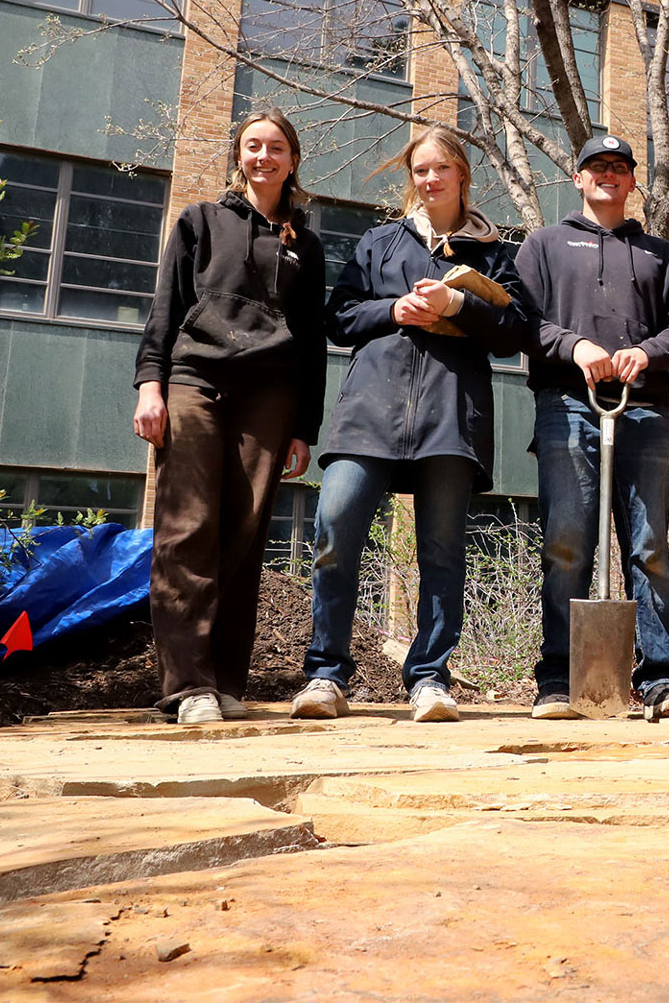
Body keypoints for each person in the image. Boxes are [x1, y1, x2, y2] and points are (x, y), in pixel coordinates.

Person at [288, 124, 527, 724]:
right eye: (420, 170)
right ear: (411, 178)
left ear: (462, 175)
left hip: (451, 418)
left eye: (441, 168)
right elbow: (338, 317)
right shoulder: (381, 242)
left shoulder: (497, 252)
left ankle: (428, 678)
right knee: (336, 528)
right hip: (369, 412)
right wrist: (393, 310)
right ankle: (325, 675)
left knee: (442, 553)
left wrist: (460, 305)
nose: (429, 179)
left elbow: (516, 332)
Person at [133, 109, 326, 726]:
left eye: (275, 147)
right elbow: (166, 306)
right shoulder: (200, 221)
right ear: (238, 156)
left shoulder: (307, 242)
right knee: (189, 528)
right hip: (196, 382)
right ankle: (187, 687)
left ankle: (224, 681)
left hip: (269, 397)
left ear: (292, 159)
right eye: (252, 146)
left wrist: (305, 427)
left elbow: (314, 342)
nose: (263, 156)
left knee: (243, 535)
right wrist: (149, 385)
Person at [517, 136, 669, 720]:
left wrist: (644, 354)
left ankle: (660, 678)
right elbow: (520, 318)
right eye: (598, 167)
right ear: (578, 177)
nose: (609, 176)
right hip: (567, 404)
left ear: (630, 182)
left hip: (642, 411)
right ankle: (558, 678)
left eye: (620, 168)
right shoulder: (544, 245)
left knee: (648, 547)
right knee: (566, 543)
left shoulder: (659, 253)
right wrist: (574, 347)